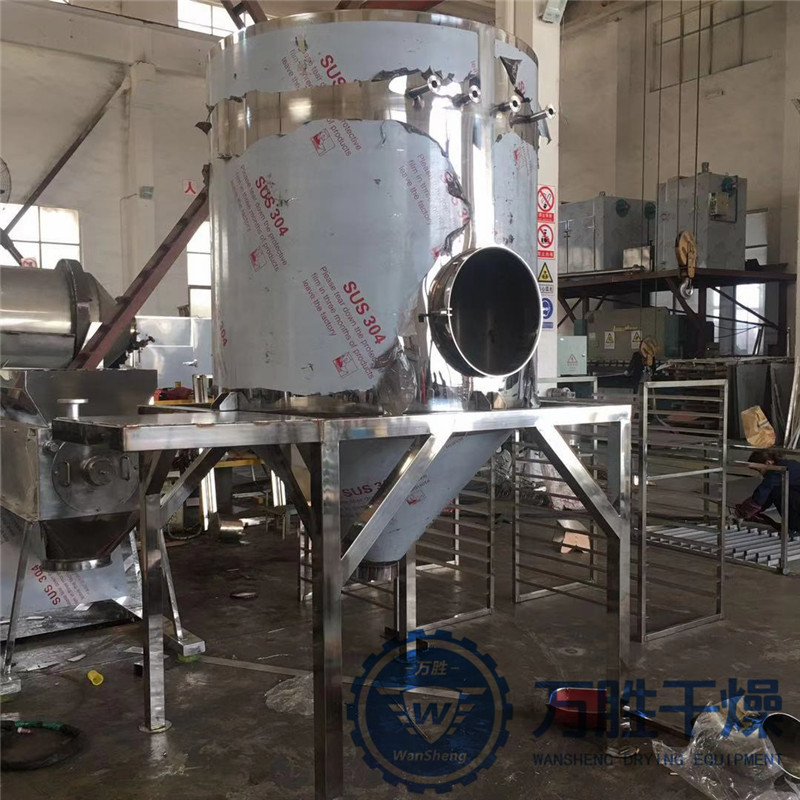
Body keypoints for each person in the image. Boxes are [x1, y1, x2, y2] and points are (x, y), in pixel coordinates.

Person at [734, 450, 800, 533]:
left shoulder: (778, 471)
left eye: (760, 470)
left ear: (768, 463)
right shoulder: (788, 464)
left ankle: (795, 527)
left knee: (776, 491)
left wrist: (743, 512)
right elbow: (766, 496)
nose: (761, 474)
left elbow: (763, 492)